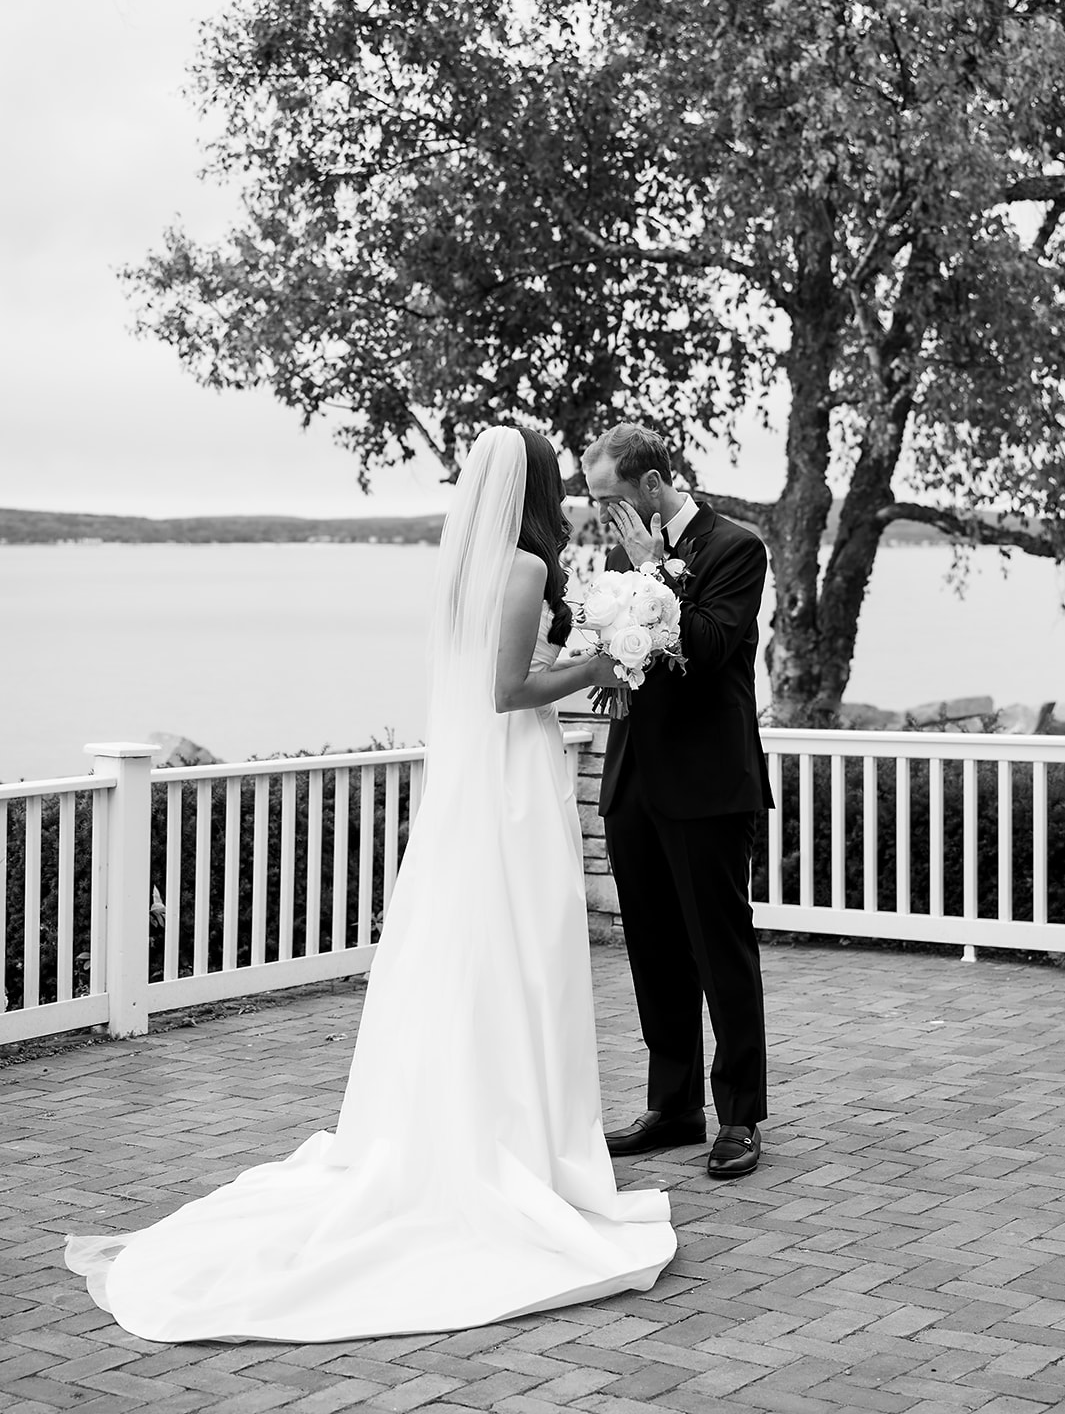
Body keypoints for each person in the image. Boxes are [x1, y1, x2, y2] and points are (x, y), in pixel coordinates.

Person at [64, 425, 676, 1343]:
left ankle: (499, 1136)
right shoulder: (517, 568)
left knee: (485, 956)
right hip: (509, 783)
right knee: (519, 956)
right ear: (541, 485)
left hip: (489, 781)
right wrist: (603, 662)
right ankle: (513, 1151)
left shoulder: (473, 568)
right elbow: (508, 691)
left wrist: (602, 635)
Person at [582, 424, 773, 1180]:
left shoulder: (735, 548)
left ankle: (738, 1117)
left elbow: (708, 646)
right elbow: (614, 652)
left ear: (652, 486)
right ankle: (673, 1109)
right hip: (633, 782)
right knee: (654, 953)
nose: (603, 517)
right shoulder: (610, 559)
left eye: (611, 500)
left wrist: (650, 569)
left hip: (707, 783)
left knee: (718, 952)